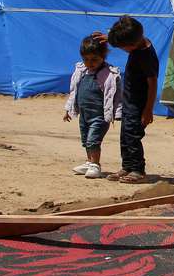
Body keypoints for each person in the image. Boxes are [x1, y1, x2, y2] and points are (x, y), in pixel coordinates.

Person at [104, 16, 159, 183]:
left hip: (139, 104)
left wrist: (148, 110)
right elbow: (127, 35)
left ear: (132, 45)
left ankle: (137, 169)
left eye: (122, 47)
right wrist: (109, 38)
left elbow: (153, 83)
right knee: (125, 135)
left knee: (133, 135)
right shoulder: (138, 43)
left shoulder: (146, 56)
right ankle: (127, 166)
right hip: (129, 101)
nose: (123, 50)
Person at [63, 34, 121, 180]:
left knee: (93, 140)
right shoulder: (81, 72)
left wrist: (117, 113)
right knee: (86, 139)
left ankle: (96, 165)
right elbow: (74, 91)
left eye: (94, 59)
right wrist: (68, 109)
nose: (90, 63)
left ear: (103, 56)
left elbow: (115, 95)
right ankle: (89, 162)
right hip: (84, 114)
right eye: (86, 59)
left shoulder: (109, 74)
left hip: (99, 116)